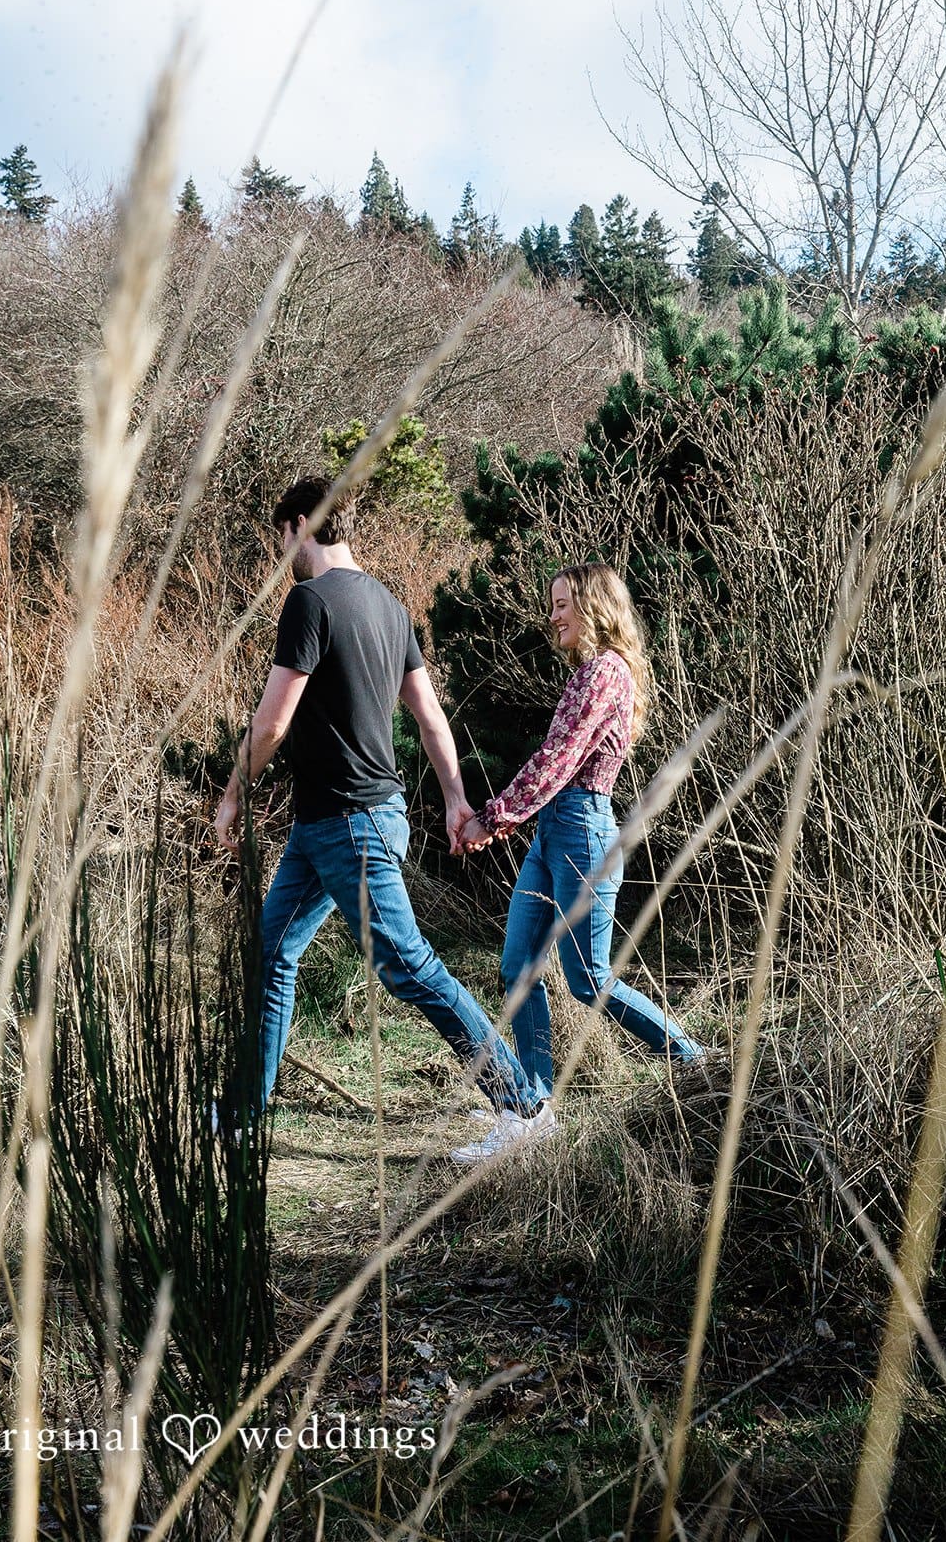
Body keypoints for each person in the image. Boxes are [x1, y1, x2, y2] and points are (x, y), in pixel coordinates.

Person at [213, 476, 552, 1152]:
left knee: (410, 967)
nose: (282, 555)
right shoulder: (390, 607)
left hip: (351, 821)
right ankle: (242, 1117)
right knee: (272, 953)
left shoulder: (308, 602)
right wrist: (455, 798)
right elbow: (430, 719)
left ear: (300, 525)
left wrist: (231, 796)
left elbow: (273, 720)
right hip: (339, 822)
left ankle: (526, 1109)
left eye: (282, 539)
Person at [456, 563, 704, 1146]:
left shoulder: (605, 673)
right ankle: (533, 1111)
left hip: (582, 833)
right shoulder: (591, 673)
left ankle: (696, 1063)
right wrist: (510, 818)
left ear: (595, 605)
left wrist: (493, 816)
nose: (553, 615)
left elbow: (557, 760)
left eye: (563, 603)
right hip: (554, 831)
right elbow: (554, 766)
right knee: (518, 966)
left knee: (589, 979)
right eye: (553, 603)